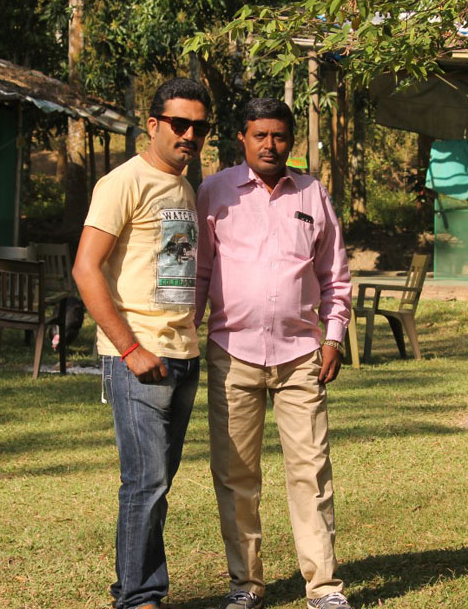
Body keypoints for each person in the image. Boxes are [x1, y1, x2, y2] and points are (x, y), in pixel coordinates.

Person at [194, 98, 354, 609]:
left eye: (279, 136)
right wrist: (182, 334)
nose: (269, 145)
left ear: (291, 141)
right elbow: (198, 272)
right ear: (242, 138)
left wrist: (333, 337)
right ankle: (245, 584)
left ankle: (324, 588)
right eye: (259, 135)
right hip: (231, 355)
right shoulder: (214, 192)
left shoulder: (312, 193)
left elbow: (334, 276)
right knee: (235, 475)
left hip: (301, 356)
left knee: (311, 471)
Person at [72, 77, 212, 609]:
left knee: (157, 485)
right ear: (153, 124)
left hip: (182, 353)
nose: (189, 135)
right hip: (138, 358)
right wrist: (131, 349)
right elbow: (86, 269)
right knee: (145, 483)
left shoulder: (184, 187)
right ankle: (138, 598)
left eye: (199, 127)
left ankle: (135, 588)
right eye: (179, 124)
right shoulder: (122, 183)